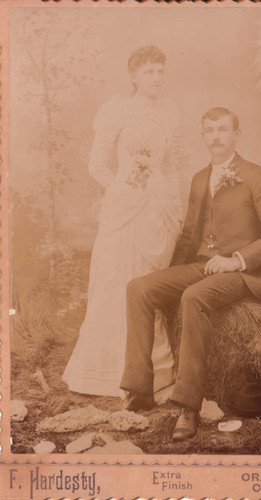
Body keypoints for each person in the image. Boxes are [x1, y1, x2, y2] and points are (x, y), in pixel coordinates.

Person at [120, 106, 261, 440]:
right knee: (138, 287)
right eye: (209, 130)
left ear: (236, 134)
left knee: (194, 296)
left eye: (223, 130)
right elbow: (188, 237)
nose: (216, 137)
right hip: (202, 265)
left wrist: (237, 259)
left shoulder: (256, 175)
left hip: (241, 273)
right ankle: (140, 389)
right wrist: (169, 278)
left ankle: (187, 405)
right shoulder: (200, 178)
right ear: (203, 136)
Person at [62, 46, 183, 397]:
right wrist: (123, 189)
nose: (156, 78)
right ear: (133, 76)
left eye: (160, 71)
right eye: (148, 72)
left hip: (157, 210)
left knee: (148, 286)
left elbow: (172, 169)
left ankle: (152, 372)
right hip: (124, 210)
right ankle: (106, 372)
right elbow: (96, 165)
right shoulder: (117, 110)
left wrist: (174, 210)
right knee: (117, 282)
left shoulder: (169, 113)